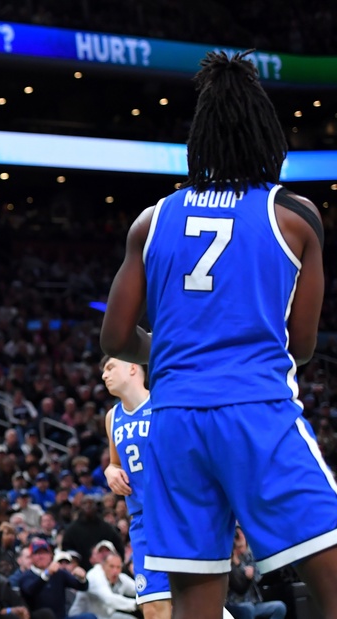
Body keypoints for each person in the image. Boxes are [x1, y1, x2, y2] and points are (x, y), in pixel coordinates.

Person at [101, 50, 337, 619]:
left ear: (198, 141)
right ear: (267, 138)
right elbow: (301, 346)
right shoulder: (295, 216)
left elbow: (115, 336)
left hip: (176, 420)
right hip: (256, 411)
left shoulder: (152, 220)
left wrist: (170, 352)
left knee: (194, 607)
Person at [100, 356, 169, 619]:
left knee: (194, 601)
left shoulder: (164, 402)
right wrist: (110, 471)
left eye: (110, 368)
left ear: (132, 368)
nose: (104, 375)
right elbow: (115, 463)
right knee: (152, 608)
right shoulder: (112, 417)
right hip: (141, 519)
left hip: (175, 514)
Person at [226, 528, 286, 619]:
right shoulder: (229, 559)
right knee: (248, 609)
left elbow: (257, 576)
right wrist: (235, 559)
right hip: (236, 604)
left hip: (254, 603)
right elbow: (238, 586)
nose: (238, 537)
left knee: (279, 607)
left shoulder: (250, 556)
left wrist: (242, 556)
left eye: (240, 534)